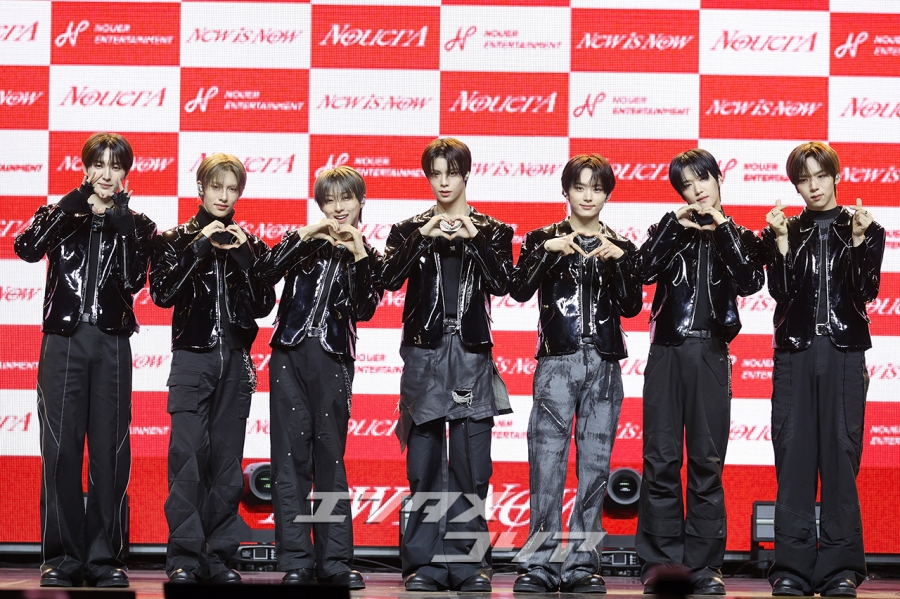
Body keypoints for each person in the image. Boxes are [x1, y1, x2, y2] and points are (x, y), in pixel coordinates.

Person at [14, 132, 156, 588]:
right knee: (60, 449)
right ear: (85, 167)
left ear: (126, 172)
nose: (106, 174)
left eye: (115, 166)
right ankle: (61, 557)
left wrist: (120, 220)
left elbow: (134, 280)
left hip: (112, 343)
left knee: (111, 451)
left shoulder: (139, 225)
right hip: (64, 341)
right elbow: (26, 248)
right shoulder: (61, 213)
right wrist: (74, 203)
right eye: (98, 164)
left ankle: (105, 557)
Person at [381, 138, 513, 593]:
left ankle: (469, 564)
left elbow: (505, 283)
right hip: (424, 353)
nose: (443, 182)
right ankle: (424, 564)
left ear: (466, 175)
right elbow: (387, 278)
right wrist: (423, 236)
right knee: (423, 463)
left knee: (471, 465)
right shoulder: (407, 229)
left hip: (472, 352)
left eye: (451, 173)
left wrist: (475, 238)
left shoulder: (493, 230)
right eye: (435, 174)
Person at [509, 154, 642, 594]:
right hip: (556, 362)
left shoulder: (620, 245)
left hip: (604, 363)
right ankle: (540, 563)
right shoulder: (542, 239)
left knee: (595, 468)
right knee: (545, 465)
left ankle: (583, 564)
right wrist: (546, 253)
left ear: (607, 195)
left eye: (597, 188)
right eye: (579, 187)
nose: (588, 196)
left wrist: (620, 261)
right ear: (565, 191)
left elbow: (631, 306)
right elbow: (519, 289)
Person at [636, 149, 764, 595]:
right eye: (686, 186)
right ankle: (661, 564)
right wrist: (674, 227)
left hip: (711, 352)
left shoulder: (739, 235)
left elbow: (750, 281)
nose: (696, 191)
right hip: (665, 352)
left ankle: (705, 566)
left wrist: (722, 228)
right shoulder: (669, 229)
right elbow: (641, 271)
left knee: (707, 463)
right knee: (660, 460)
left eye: (701, 179)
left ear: (718, 177)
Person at [762, 142, 883, 598]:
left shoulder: (867, 228)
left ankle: (841, 569)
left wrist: (857, 241)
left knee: (840, 454)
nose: (813, 186)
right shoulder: (785, 228)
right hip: (795, 353)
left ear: (836, 176)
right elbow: (781, 292)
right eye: (803, 179)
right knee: (792, 453)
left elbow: (864, 291)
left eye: (820, 176)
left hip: (844, 352)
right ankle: (790, 568)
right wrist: (780, 243)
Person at [150, 153, 275, 584]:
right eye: (216, 187)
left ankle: (219, 558)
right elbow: (162, 294)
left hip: (236, 360)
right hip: (192, 357)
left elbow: (264, 304)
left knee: (226, 465)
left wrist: (243, 257)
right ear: (201, 188)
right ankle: (184, 559)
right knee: (186, 460)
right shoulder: (174, 240)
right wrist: (200, 246)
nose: (223, 196)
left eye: (232, 188)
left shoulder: (250, 243)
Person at [254, 166, 382, 588]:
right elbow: (265, 273)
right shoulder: (304, 243)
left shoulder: (370, 256)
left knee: (330, 457)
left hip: (333, 358)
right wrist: (306, 234)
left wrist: (358, 253)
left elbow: (365, 307)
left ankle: (335, 561)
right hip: (288, 353)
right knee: (288, 458)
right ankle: (296, 559)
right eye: (330, 200)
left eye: (347, 198)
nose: (339, 207)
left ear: (361, 201)